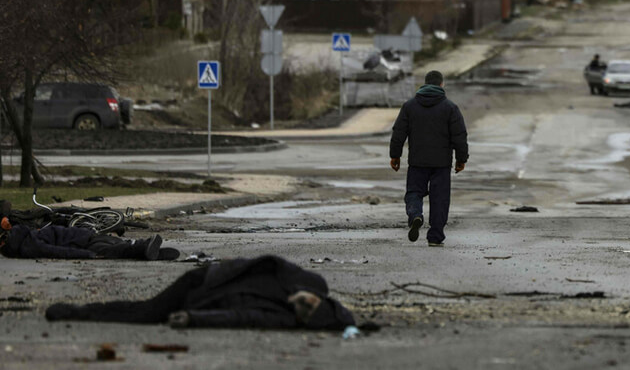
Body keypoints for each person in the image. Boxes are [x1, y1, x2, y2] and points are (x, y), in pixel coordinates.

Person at [45, 255, 355, 330]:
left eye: (305, 314)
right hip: (204, 280)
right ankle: (73, 312)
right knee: (146, 312)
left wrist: (193, 318)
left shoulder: (285, 318)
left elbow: (239, 317)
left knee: (146, 313)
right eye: (311, 305)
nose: (302, 308)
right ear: (318, 298)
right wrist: (299, 290)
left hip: (201, 299)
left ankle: (75, 312)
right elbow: (274, 261)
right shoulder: (311, 282)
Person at [390, 70, 469, 247]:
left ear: (425, 84)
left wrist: (395, 155)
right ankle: (435, 236)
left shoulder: (409, 106)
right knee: (440, 198)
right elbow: (459, 136)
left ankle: (415, 215)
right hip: (441, 163)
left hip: (417, 161)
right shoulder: (450, 108)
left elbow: (398, 133)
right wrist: (461, 159)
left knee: (414, 192)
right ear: (441, 85)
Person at [0, 216, 178, 261]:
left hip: (86, 241)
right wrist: (85, 254)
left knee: (116, 248)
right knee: (118, 248)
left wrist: (85, 254)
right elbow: (56, 250)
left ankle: (145, 250)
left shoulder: (27, 240)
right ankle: (144, 249)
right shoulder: (28, 239)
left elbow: (56, 250)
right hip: (86, 240)